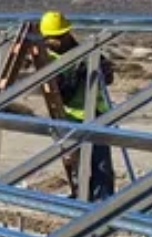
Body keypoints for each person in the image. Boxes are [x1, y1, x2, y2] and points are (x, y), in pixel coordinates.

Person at [40, 11, 115, 201]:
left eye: (60, 36)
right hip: (72, 117)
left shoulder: (86, 50)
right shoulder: (49, 60)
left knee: (102, 165)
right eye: (52, 38)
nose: (56, 41)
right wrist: (79, 74)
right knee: (79, 166)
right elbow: (63, 95)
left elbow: (108, 79)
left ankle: (103, 203)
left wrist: (105, 70)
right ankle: (82, 198)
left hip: (98, 114)